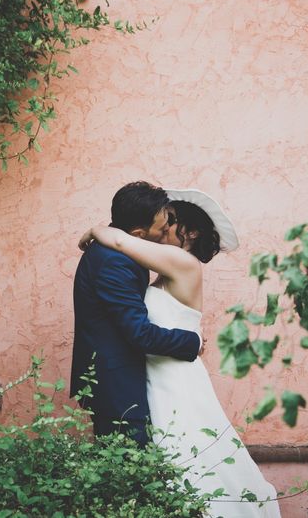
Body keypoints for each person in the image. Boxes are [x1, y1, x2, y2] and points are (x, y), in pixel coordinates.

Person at [79, 189, 281, 518]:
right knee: (172, 459)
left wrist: (97, 230)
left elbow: (120, 242)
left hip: (175, 378)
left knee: (187, 455)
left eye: (171, 222)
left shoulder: (184, 263)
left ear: (191, 232)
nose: (164, 227)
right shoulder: (162, 268)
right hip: (156, 376)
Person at [70, 181, 205, 448]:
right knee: (129, 470)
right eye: (163, 228)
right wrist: (193, 342)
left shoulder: (123, 251)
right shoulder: (114, 262)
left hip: (130, 379)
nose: (168, 231)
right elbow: (140, 333)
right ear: (138, 233)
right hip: (117, 385)